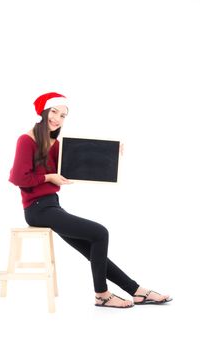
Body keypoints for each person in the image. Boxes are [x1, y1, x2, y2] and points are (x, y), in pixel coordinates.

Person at [9, 92, 172, 309]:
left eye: (63, 115)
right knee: (100, 232)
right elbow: (18, 178)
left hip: (52, 206)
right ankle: (101, 294)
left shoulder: (54, 143)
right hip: (37, 209)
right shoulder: (26, 140)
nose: (57, 118)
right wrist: (49, 177)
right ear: (44, 111)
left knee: (92, 245)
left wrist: (111, 153)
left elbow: (78, 160)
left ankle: (137, 291)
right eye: (54, 111)